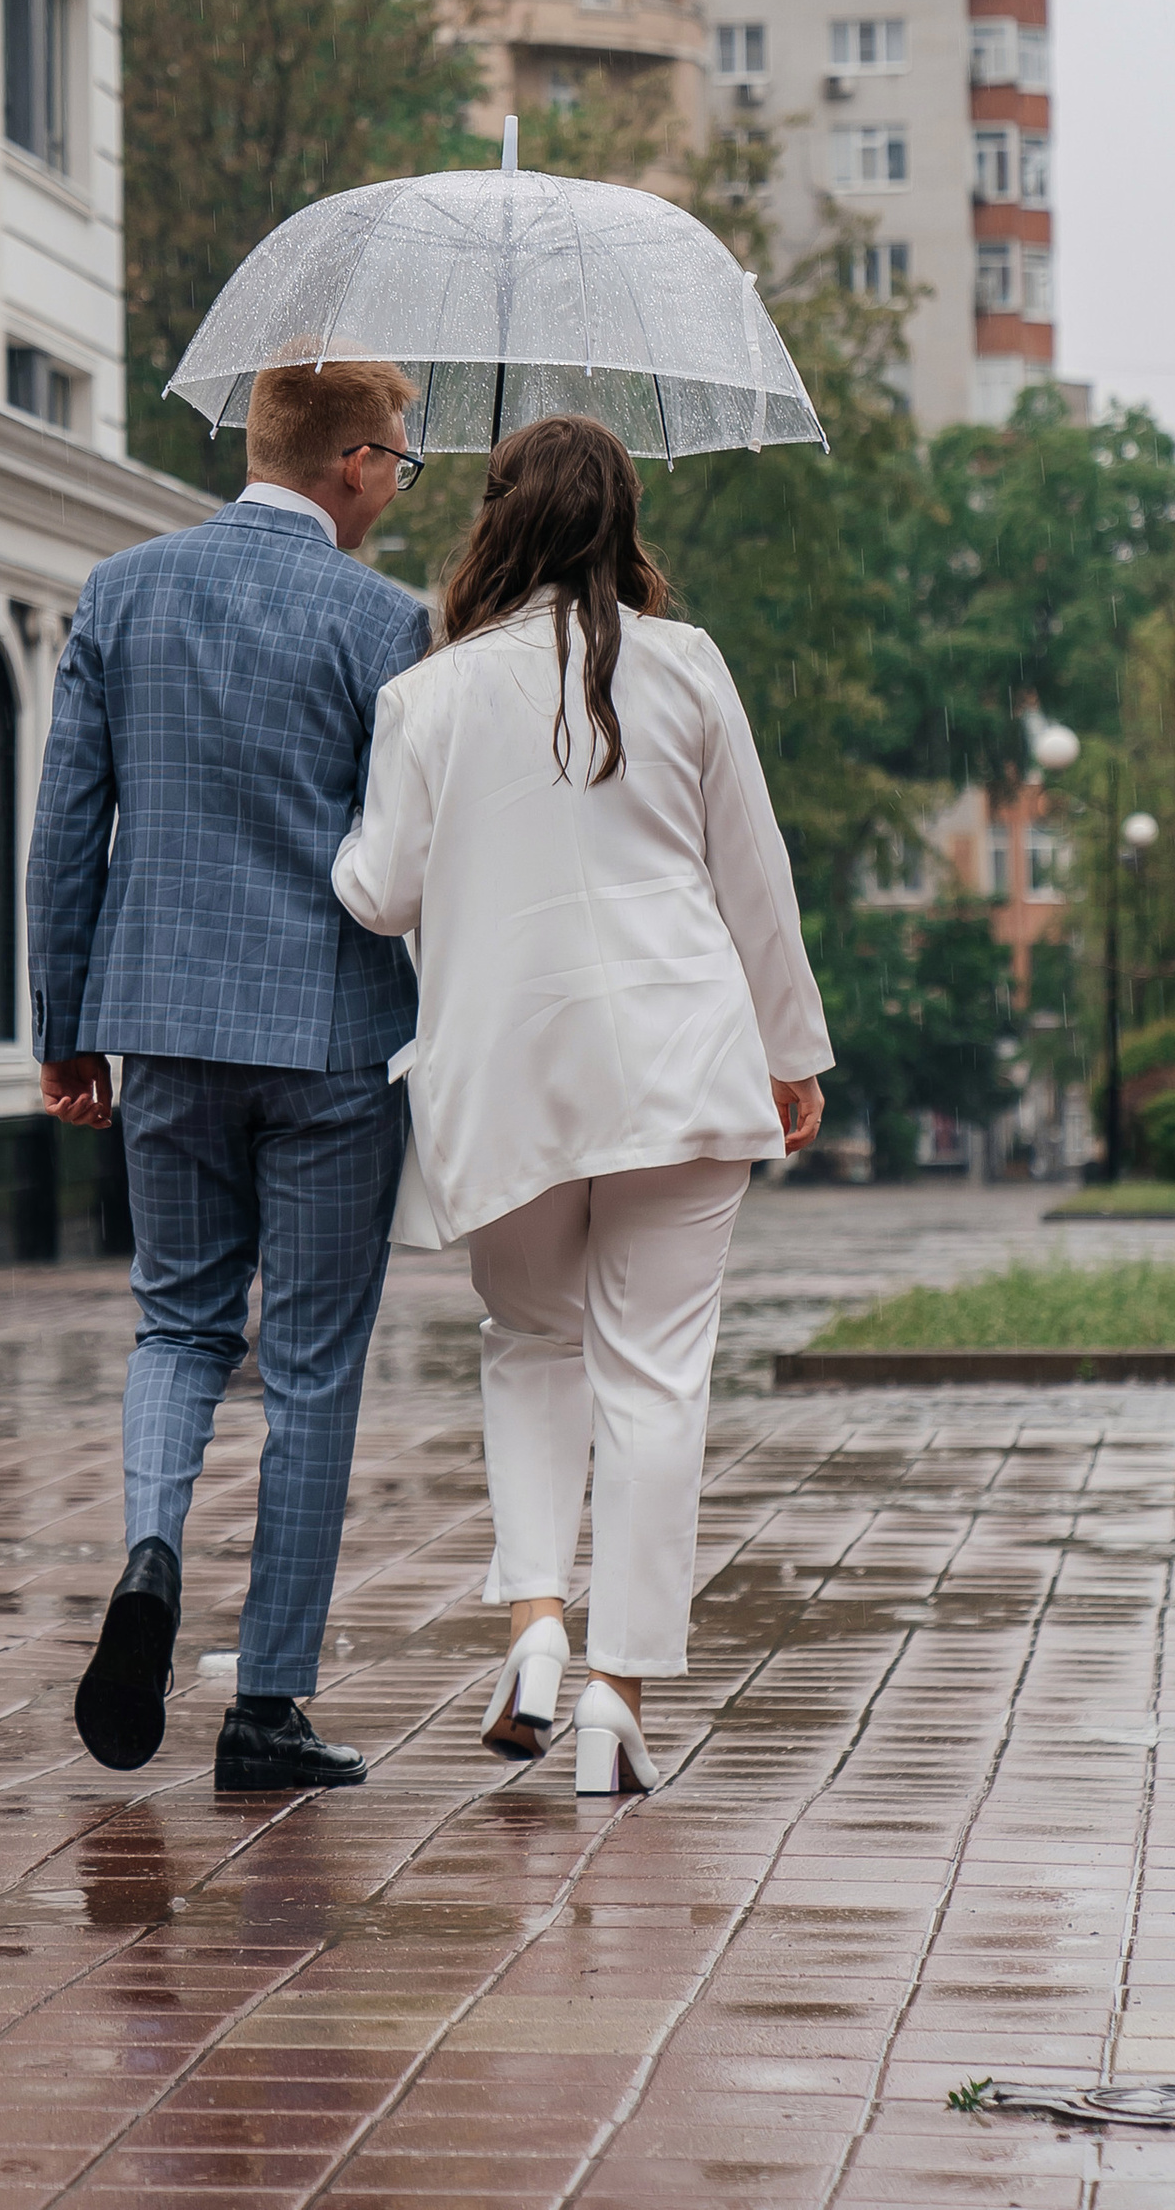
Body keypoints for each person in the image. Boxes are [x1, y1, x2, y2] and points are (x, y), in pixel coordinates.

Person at [332, 414, 830, 1798]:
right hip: (681, 1065)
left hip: (510, 1079)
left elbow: (383, 892)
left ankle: (536, 1621)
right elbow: (756, 879)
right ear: (623, 525)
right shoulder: (688, 668)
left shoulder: (432, 694)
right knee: (657, 1380)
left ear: (495, 521)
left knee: (530, 1343)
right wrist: (794, 1055)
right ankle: (615, 1691)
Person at [28, 357, 428, 1795]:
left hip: (163, 1025)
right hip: (330, 1037)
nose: (400, 485)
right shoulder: (388, 625)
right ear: (354, 466)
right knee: (312, 1373)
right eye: (402, 462)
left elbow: (68, 824)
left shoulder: (124, 592)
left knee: (177, 1327)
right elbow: (410, 851)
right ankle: (265, 1706)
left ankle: (151, 1549)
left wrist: (63, 1023)